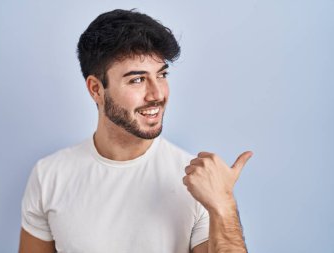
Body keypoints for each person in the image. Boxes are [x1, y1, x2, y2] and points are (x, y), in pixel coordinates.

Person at [18, 9, 253, 253]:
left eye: (161, 75)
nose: (157, 94)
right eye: (137, 79)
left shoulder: (198, 183)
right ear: (96, 89)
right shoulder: (49, 176)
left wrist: (223, 205)